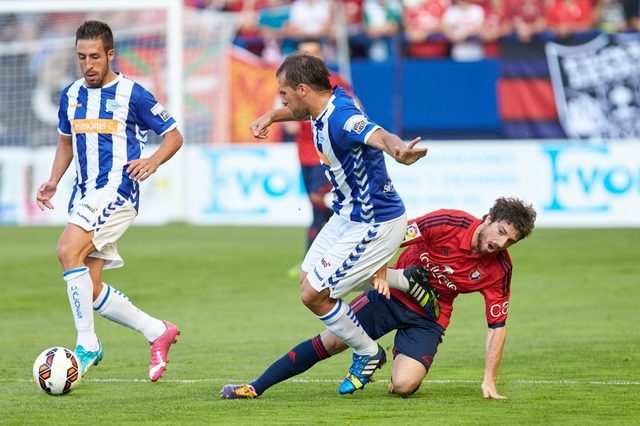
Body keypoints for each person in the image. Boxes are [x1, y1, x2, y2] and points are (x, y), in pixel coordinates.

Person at [220, 197, 537, 399]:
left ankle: (395, 354)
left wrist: (489, 381)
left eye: (510, 240)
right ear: (488, 218)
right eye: (500, 231)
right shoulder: (447, 222)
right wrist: (384, 275)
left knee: (404, 387)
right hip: (390, 296)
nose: (501, 242)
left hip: (430, 317)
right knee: (331, 342)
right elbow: (393, 238)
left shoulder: (500, 269)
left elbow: (497, 326)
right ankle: (255, 387)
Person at [249, 52, 430, 395]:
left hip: (375, 222)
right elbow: (299, 112)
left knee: (313, 294)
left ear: (302, 89)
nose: (282, 100)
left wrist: (399, 152)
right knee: (308, 278)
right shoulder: (328, 101)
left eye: (283, 94)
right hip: (348, 215)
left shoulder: (342, 118)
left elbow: (378, 135)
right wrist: (273, 115)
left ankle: (368, 352)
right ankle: (404, 280)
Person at [35, 21, 183, 382]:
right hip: (83, 195)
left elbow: (174, 136)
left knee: (66, 250)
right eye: (82, 57)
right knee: (91, 285)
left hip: (117, 191)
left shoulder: (133, 94)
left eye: (95, 57)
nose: (88, 64)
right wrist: (53, 180)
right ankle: (156, 331)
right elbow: (65, 142)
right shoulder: (70, 95)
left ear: (110, 54)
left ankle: (86, 343)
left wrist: (152, 160)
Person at [283, 39, 351, 275]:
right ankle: (313, 262)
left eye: (313, 53)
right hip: (304, 154)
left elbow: (356, 109)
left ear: (322, 56)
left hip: (326, 154)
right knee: (316, 210)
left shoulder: (336, 82)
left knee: (319, 201)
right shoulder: (291, 85)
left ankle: (354, 227)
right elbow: (290, 125)